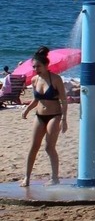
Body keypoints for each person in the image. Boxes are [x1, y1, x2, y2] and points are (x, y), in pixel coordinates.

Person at [19, 46, 68, 187]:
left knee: (49, 147)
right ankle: (27, 178)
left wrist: (64, 119)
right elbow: (36, 100)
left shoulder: (56, 79)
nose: (36, 69)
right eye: (34, 67)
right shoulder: (34, 80)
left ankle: (55, 177)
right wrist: (27, 110)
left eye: (39, 66)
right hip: (39, 115)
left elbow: (63, 100)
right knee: (33, 146)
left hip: (55, 115)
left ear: (47, 65)